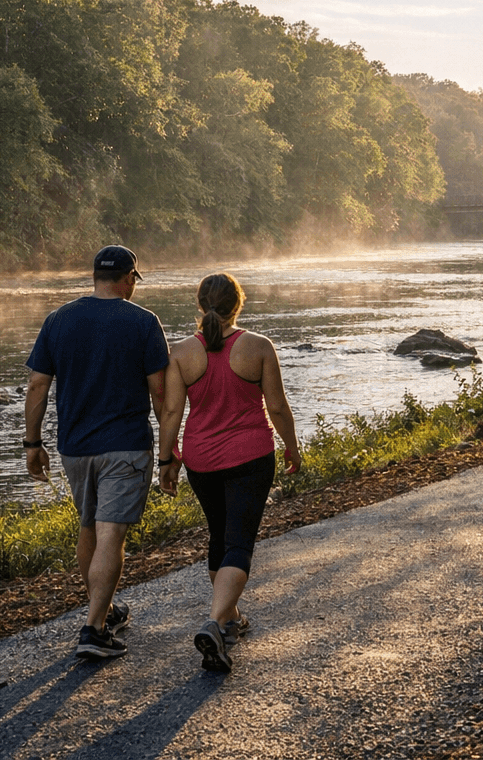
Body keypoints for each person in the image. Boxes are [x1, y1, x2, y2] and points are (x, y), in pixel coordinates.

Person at [24, 245, 169, 660]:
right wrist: (171, 447)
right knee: (111, 534)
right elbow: (159, 393)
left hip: (75, 448)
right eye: (133, 281)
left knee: (89, 528)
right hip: (125, 446)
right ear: (128, 279)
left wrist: (32, 445)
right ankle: (93, 630)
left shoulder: (59, 320)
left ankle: (101, 609)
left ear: (94, 278)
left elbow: (38, 387)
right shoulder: (143, 322)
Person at [158, 272, 303, 674]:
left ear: (200, 305)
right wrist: (292, 446)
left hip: (201, 460)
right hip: (250, 456)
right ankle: (216, 623)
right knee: (239, 541)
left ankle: (230, 618)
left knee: (219, 535)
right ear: (238, 304)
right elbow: (277, 407)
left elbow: (172, 412)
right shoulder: (258, 347)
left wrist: (166, 459)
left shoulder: (182, 353)